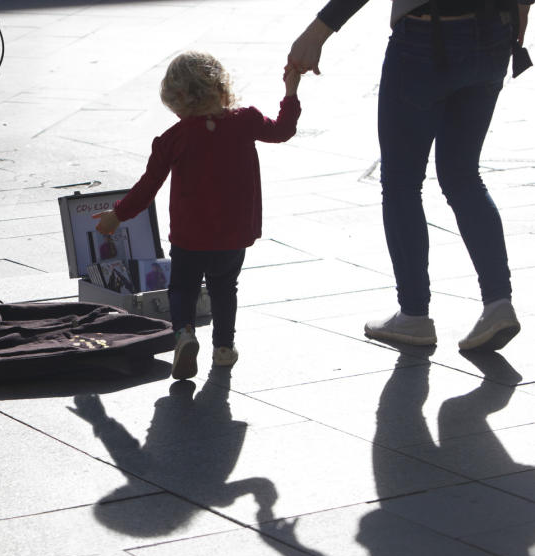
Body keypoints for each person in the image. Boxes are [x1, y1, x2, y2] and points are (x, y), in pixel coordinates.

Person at [287, 0, 530, 351]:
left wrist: (318, 31)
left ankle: (414, 314)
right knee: (463, 175)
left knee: (401, 182)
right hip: (494, 32)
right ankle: (498, 302)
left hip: (425, 35)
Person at [94, 51, 301, 380]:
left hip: (190, 235)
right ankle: (223, 348)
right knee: (224, 287)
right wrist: (290, 91)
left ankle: (184, 335)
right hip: (234, 233)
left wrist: (115, 216)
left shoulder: (172, 139)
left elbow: (147, 188)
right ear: (220, 89)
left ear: (178, 100)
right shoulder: (246, 120)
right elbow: (282, 130)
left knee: (183, 289)